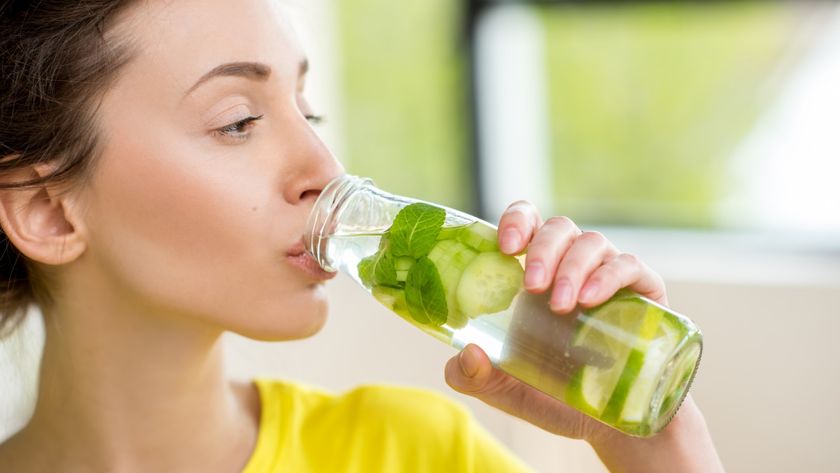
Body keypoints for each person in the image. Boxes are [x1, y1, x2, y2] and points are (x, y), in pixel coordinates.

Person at [0, 1, 725, 471]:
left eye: (306, 112)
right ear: (49, 212)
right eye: (237, 122)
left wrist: (655, 449)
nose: (326, 168)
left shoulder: (410, 452)